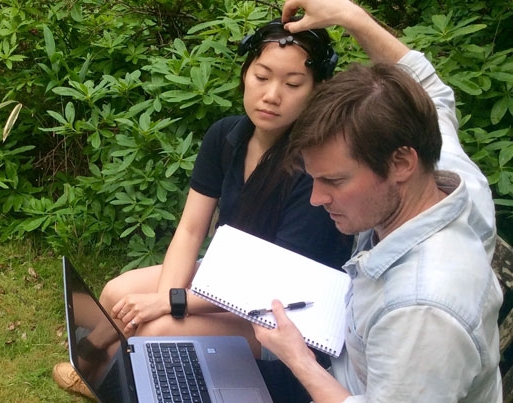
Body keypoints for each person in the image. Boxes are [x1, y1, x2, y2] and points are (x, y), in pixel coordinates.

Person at [53, 16, 354, 401]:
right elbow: (192, 229)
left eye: (293, 84)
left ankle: (124, 379)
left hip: (284, 316)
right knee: (117, 292)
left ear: (316, 91)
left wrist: (169, 306)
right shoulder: (226, 136)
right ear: (245, 74)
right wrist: (164, 299)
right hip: (229, 281)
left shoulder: (312, 165)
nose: (272, 95)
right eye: (262, 76)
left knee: (157, 331)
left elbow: (277, 288)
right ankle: (109, 375)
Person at [253, 0, 503, 401]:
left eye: (334, 180)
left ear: (401, 162)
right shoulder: (450, 179)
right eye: (314, 179)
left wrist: (297, 358)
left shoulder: (421, 312)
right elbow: (429, 88)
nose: (316, 198)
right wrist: (349, 16)